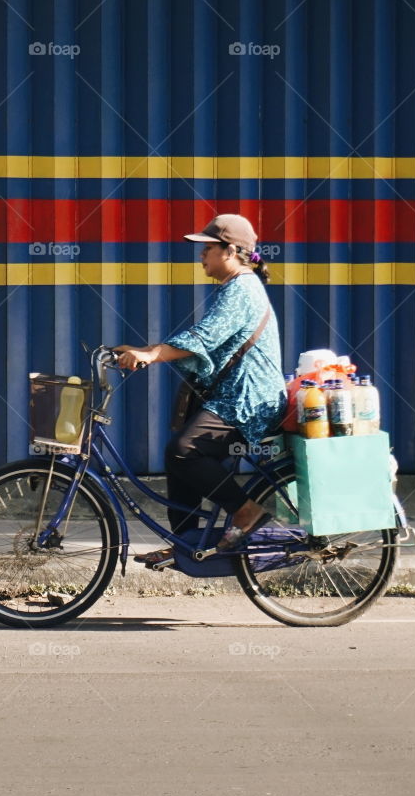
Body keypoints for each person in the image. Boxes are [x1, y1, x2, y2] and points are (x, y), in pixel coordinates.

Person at [114, 214, 286, 565]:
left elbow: (204, 339)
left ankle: (245, 512)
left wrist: (151, 353)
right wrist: (147, 352)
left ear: (231, 251)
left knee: (184, 450)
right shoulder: (236, 287)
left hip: (249, 401)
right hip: (233, 396)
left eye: (207, 248)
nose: (201, 255)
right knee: (175, 455)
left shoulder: (242, 289)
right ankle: (187, 544)